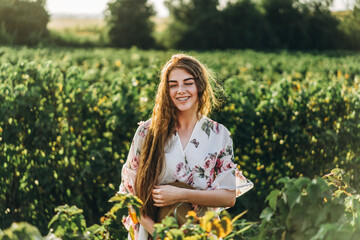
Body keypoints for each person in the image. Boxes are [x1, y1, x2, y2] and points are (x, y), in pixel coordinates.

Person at [118, 54, 253, 239]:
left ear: (200, 86)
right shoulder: (147, 132)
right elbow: (129, 194)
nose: (180, 90)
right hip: (154, 233)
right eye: (173, 85)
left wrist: (180, 195)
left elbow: (228, 197)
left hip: (201, 233)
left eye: (187, 83)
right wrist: (159, 233)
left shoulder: (218, 134)